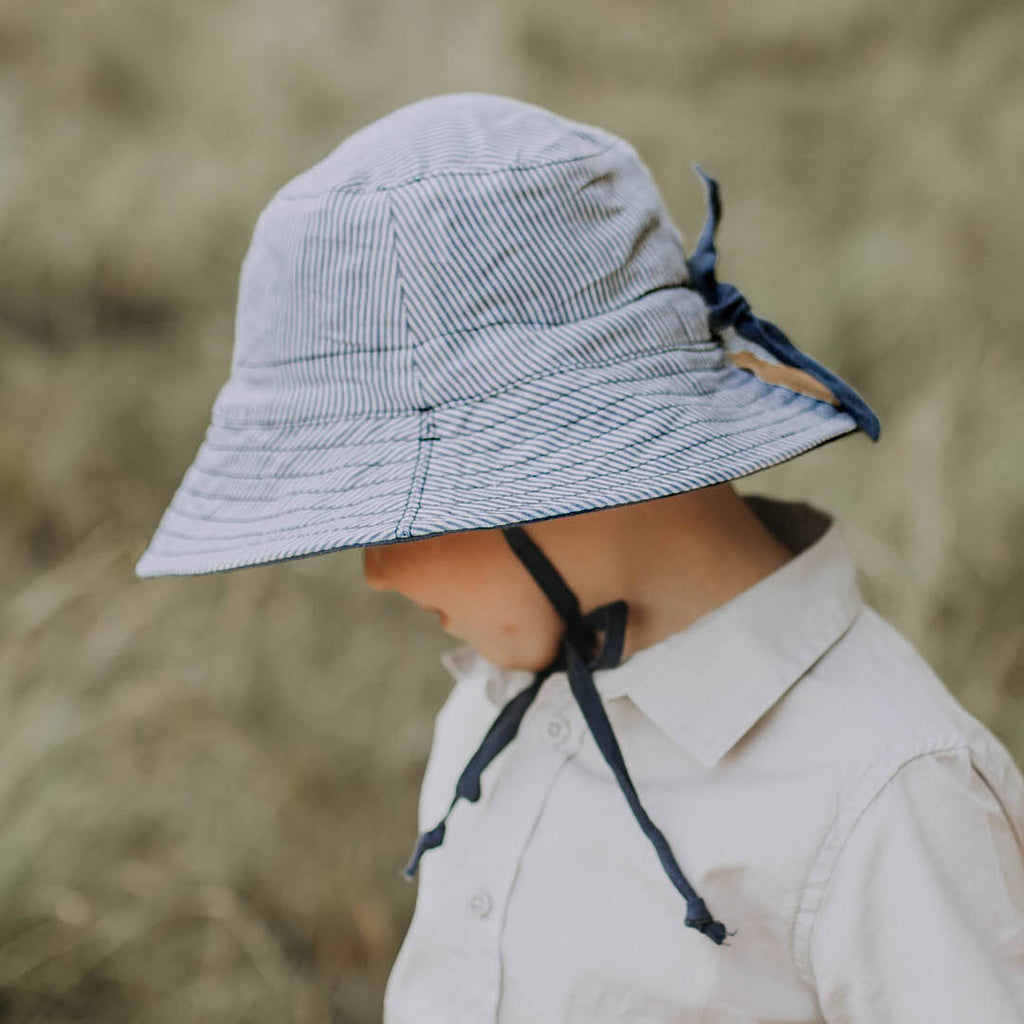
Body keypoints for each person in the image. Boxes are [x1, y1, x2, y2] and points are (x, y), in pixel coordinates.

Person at [136, 93, 1024, 1021]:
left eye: (395, 518)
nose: (378, 573)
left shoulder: (890, 799)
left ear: (556, 474)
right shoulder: (495, 702)